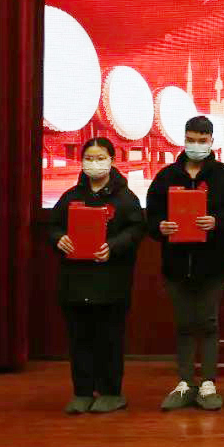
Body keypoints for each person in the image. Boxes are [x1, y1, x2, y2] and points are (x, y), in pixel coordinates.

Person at [146, 115, 224, 411]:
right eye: (191, 140)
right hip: (175, 265)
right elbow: (150, 218)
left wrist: (218, 222)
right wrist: (160, 227)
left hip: (211, 265)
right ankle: (185, 383)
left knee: (208, 323)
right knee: (183, 324)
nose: (196, 145)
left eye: (202, 141)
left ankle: (208, 384)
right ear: (184, 139)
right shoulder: (166, 176)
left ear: (212, 141)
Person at [49, 137, 146, 414]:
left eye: (100, 158)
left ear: (111, 160)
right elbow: (53, 227)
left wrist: (113, 246)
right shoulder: (71, 196)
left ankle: (111, 392)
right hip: (75, 282)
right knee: (79, 338)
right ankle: (82, 392)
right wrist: (59, 239)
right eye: (89, 158)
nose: (94, 163)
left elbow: (136, 230)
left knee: (109, 339)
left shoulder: (125, 198)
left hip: (111, 282)